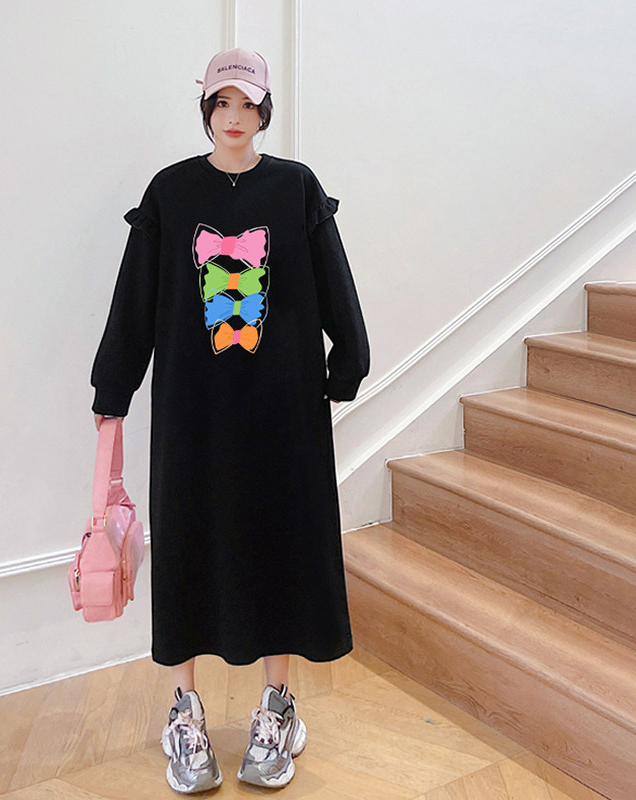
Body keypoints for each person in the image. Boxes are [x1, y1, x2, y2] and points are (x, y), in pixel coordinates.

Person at [90, 47, 370, 793]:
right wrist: (112, 388)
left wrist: (348, 360)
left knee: (281, 545)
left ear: (264, 110)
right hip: (194, 412)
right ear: (207, 110)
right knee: (187, 544)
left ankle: (277, 705)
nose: (235, 117)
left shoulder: (296, 187)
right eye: (222, 103)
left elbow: (335, 284)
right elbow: (136, 297)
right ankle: (183, 711)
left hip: (283, 409)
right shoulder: (171, 191)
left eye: (247, 104)